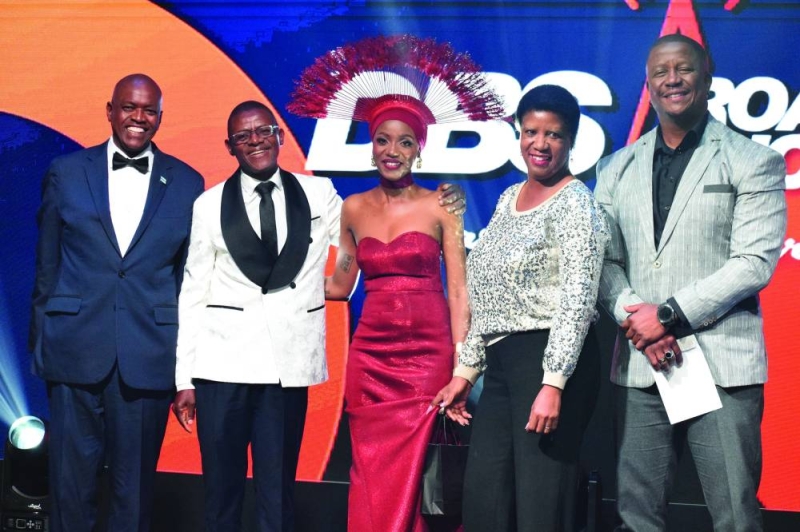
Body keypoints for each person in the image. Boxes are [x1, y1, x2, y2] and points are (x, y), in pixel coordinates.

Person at [171, 99, 466, 532]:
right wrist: (184, 377)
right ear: (229, 145)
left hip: (288, 365)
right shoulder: (208, 204)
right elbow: (194, 290)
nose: (256, 141)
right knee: (220, 493)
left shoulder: (321, 195)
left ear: (279, 136)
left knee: (278, 495)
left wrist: (451, 197)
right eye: (243, 136)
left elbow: (349, 264)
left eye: (264, 131)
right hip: (222, 364)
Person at [288, 35, 505, 531]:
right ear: (371, 146)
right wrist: (278, 283)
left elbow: (458, 291)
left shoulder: (442, 205)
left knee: (420, 474)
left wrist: (461, 365)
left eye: (405, 141)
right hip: (370, 361)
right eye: (383, 140)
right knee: (371, 470)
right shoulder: (353, 208)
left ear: (418, 150)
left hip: (429, 358)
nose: (392, 150)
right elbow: (340, 284)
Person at [594, 34, 787, 531]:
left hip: (721, 363)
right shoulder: (615, 167)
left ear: (707, 76)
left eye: (683, 68)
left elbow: (753, 263)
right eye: (661, 71)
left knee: (735, 518)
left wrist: (666, 317)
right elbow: (603, 261)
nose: (672, 79)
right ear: (648, 85)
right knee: (636, 517)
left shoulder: (752, 160)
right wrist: (639, 321)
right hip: (642, 364)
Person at [28, 73, 205, 532]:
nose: (138, 118)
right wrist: (42, 345)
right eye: (129, 107)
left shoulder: (188, 182)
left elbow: (188, 283)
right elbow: (47, 266)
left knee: (135, 495)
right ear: (110, 111)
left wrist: (185, 371)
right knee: (70, 488)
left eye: (149, 111)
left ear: (160, 118)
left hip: (148, 356)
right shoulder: (66, 171)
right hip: (73, 350)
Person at [435, 84, 609, 532]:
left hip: (550, 362)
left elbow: (578, 299)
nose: (540, 143)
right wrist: (466, 372)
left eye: (553, 134)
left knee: (540, 505)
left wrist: (554, 384)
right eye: (531, 131)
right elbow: (488, 294)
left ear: (571, 141)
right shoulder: (507, 197)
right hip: (501, 366)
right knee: (485, 500)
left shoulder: (577, 204)